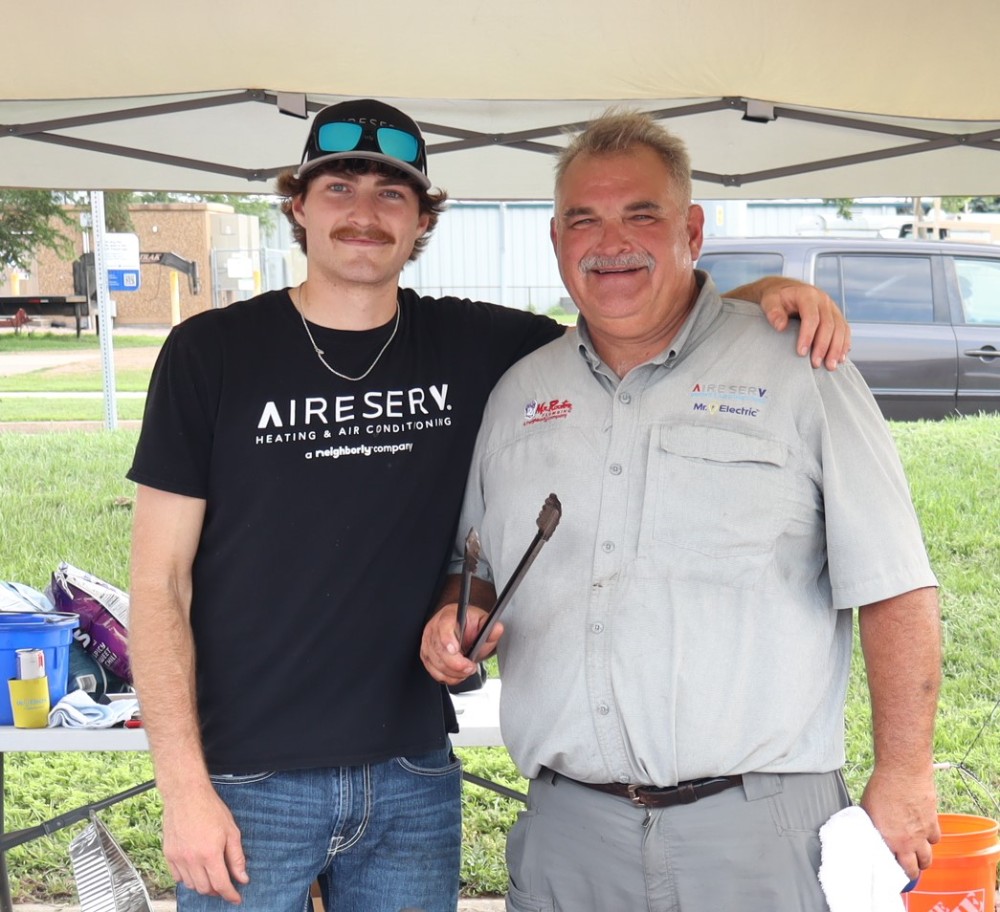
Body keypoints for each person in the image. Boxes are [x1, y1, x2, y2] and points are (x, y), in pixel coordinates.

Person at [127, 99, 850, 912]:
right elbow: (159, 585)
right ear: (298, 204)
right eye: (339, 189)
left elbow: (636, 311)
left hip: (410, 774)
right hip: (248, 777)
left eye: (392, 194)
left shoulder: (481, 348)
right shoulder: (212, 353)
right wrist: (182, 787)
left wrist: (765, 297)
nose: (364, 214)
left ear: (422, 218)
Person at [421, 110, 941, 912]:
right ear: (555, 240)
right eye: (584, 219)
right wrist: (463, 616)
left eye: (642, 214)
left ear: (691, 228)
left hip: (761, 833)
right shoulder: (519, 392)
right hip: (569, 835)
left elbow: (895, 583)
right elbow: (475, 560)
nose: (611, 241)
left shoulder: (801, 365)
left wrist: (905, 773)